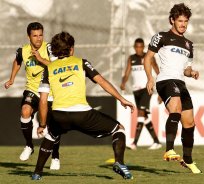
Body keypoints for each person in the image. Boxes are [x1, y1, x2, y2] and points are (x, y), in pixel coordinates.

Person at [31, 31, 134, 180]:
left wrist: (42, 123)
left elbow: (42, 100)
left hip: (59, 114)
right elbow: (102, 82)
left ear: (54, 50)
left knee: (51, 135)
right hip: (82, 114)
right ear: (71, 48)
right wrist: (121, 98)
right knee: (118, 129)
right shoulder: (81, 62)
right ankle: (119, 162)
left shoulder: (49, 68)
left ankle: (37, 173)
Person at [144, 3, 202, 174]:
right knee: (175, 108)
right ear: (172, 20)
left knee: (189, 122)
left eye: (186, 21)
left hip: (181, 82)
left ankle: (188, 160)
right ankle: (169, 149)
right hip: (165, 80)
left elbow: (186, 68)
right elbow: (147, 58)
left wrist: (192, 73)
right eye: (180, 21)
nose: (183, 24)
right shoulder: (161, 37)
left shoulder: (189, 45)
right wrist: (150, 79)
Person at [4, 22, 61, 169]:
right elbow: (17, 61)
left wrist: (40, 59)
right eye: (35, 35)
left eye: (40, 35)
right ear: (28, 36)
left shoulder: (49, 48)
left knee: (53, 124)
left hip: (50, 91)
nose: (38, 38)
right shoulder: (23, 50)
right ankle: (29, 146)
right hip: (33, 89)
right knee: (25, 111)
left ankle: (55, 155)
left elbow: (57, 66)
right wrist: (12, 78)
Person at [120, 38, 162, 150]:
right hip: (136, 90)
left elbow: (159, 73)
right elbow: (127, 73)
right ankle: (157, 142)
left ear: (144, 47)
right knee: (144, 116)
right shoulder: (131, 58)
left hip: (146, 89)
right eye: (137, 47)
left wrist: (161, 92)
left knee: (140, 113)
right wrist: (123, 82)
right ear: (134, 47)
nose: (139, 49)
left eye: (141, 47)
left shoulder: (149, 58)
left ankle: (134, 143)